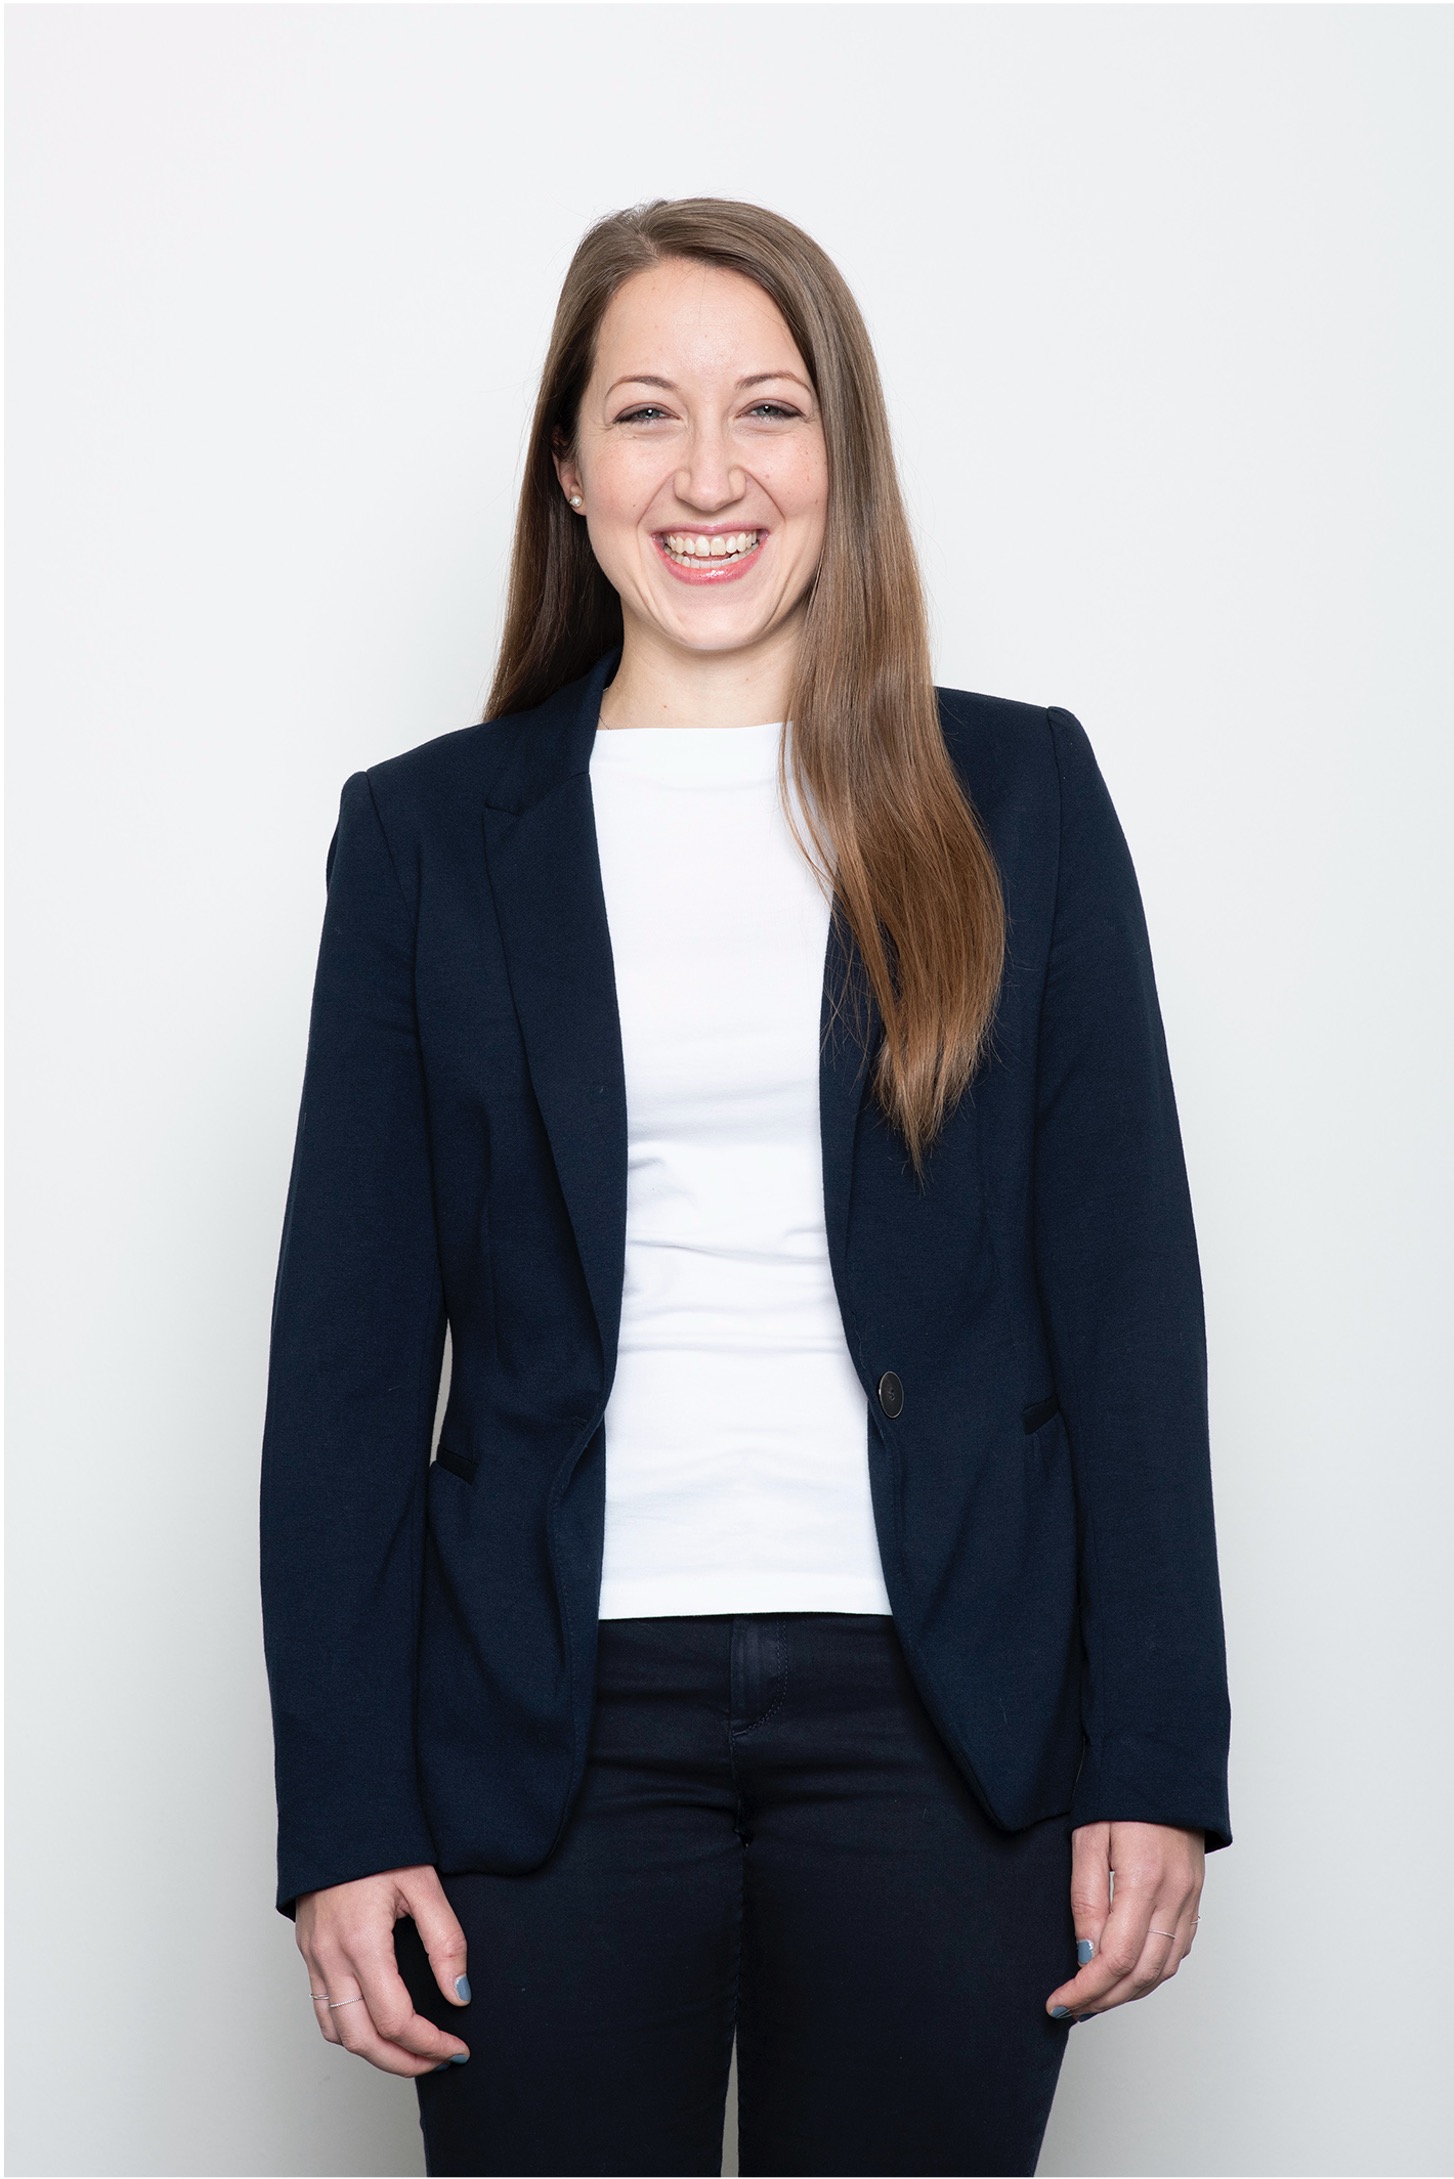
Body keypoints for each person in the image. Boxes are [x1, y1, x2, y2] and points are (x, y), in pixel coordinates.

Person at [260, 197, 1232, 2179]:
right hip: (546, 1732)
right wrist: (342, 1810)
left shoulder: (1016, 798)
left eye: (766, 411)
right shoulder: (431, 838)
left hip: (940, 1716)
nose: (707, 475)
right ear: (568, 468)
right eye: (644, 414)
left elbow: (1125, 1302)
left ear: (841, 457)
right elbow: (347, 1371)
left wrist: (1155, 1756)